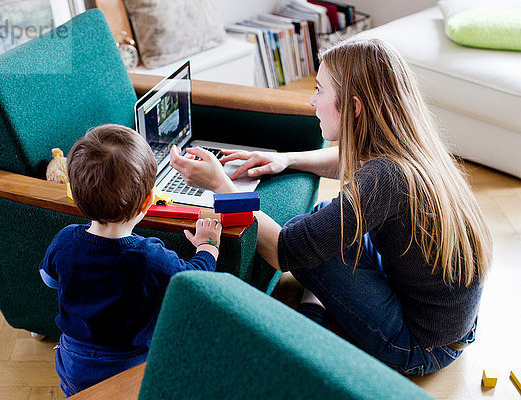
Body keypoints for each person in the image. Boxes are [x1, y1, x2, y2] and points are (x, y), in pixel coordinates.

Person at [169, 39, 492, 376]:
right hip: (450, 321)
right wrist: (286, 160)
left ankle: (314, 316)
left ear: (353, 107)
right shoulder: (408, 144)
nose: (312, 100)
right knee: (324, 215)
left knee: (302, 239)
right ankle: (326, 302)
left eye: (319, 90)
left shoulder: (386, 179)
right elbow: (353, 160)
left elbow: (284, 251)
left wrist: (221, 185)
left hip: (419, 345)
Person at [39, 124, 222, 396]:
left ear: (75, 195)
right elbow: (194, 281)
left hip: (73, 362)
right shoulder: (150, 258)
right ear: (149, 200)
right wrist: (208, 247)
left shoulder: (65, 240)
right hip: (129, 365)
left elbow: (49, 279)